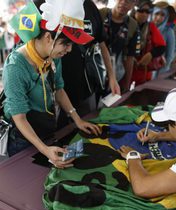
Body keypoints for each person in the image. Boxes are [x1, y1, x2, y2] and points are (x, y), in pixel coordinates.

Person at [3, 0, 101, 168]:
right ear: (49, 37)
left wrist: (77, 119)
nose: (69, 50)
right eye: (66, 44)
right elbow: (19, 117)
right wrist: (44, 149)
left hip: (46, 130)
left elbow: (59, 89)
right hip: (23, 139)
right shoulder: (16, 67)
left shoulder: (53, 55)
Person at [58, 0, 120, 128]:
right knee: (58, 134)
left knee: (87, 128)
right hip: (55, 89)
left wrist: (112, 77)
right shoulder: (46, 4)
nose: (68, 48)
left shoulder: (90, 7)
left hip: (86, 87)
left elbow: (102, 44)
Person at [100, 0, 139, 92]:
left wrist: (126, 86)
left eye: (129, 1)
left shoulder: (132, 25)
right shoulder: (100, 14)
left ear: (134, 4)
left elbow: (130, 57)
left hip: (115, 74)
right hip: (92, 69)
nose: (123, 3)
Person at [130, 0, 166, 85]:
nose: (144, 14)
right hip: (125, 69)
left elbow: (162, 47)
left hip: (142, 71)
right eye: (141, 11)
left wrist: (150, 54)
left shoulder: (150, 27)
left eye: (147, 12)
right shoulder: (126, 24)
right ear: (134, 10)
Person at [152, 1, 176, 74]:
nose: (159, 17)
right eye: (156, 14)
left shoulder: (169, 32)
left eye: (162, 15)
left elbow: (169, 56)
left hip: (158, 71)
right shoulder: (145, 28)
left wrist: (162, 73)